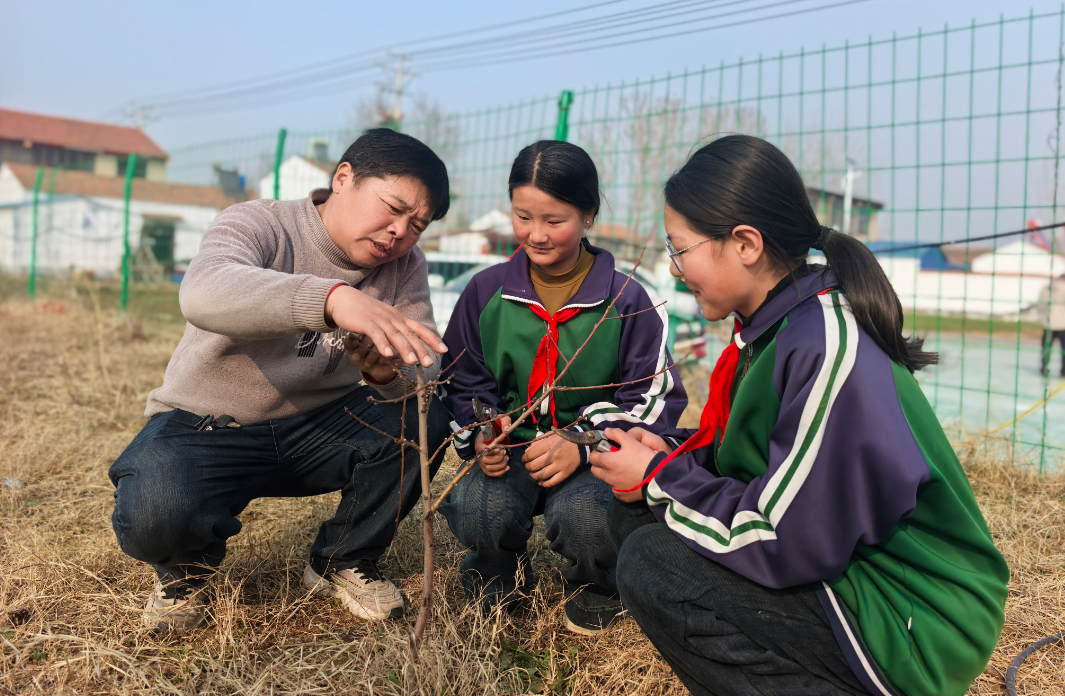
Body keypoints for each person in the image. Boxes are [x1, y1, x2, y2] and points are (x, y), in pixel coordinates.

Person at [589, 135, 1009, 695]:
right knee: (638, 520)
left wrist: (659, 477)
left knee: (654, 562)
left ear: (744, 244)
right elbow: (762, 460)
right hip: (839, 557)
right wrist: (671, 457)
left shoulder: (825, 344)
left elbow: (782, 537)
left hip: (912, 613)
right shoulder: (774, 327)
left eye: (680, 247)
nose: (674, 266)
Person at [109, 128, 454, 634]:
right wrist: (333, 299)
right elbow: (203, 291)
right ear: (343, 178)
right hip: (208, 425)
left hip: (318, 427)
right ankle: (184, 574)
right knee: (156, 512)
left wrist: (387, 374)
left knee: (425, 417)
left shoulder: (405, 266)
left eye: (416, 224)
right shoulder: (261, 222)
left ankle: (343, 558)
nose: (399, 232)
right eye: (393, 207)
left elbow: (421, 365)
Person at [438, 140, 687, 634]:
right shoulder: (486, 292)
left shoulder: (630, 300)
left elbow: (650, 401)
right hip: (514, 453)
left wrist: (581, 443)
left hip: (592, 457)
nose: (537, 235)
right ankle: (495, 576)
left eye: (555, 221)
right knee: (478, 508)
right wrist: (485, 430)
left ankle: (596, 586)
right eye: (523, 216)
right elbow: (462, 378)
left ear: (589, 214)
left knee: (588, 519)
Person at [1037, 273, 1065, 376]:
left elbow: (1039, 304)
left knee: (1046, 348)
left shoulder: (1046, 288)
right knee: (1064, 351)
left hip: (1048, 324)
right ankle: (1063, 372)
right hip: (1063, 324)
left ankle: (1044, 369)